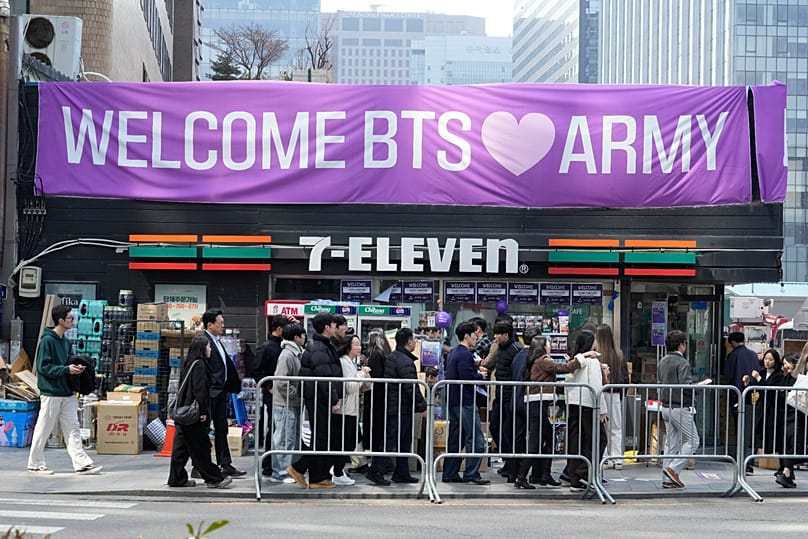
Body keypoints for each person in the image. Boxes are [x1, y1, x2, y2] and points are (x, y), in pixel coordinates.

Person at [27, 305, 102, 476]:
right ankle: (35, 463)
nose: (72, 321)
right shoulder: (47, 341)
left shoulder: (66, 342)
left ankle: (82, 463)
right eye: (70, 318)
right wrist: (67, 370)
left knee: (73, 428)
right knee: (44, 428)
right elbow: (43, 367)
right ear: (60, 320)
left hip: (67, 392)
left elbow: (65, 362)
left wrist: (74, 367)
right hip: (51, 392)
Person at [515, 335, 581, 489]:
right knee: (535, 442)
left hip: (540, 403)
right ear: (543, 346)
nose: (551, 346)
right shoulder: (543, 360)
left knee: (549, 439)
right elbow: (562, 368)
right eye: (549, 343)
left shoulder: (537, 360)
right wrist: (579, 359)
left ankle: (545, 474)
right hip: (537, 404)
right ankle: (521, 477)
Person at [168, 335, 232, 489]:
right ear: (202, 349)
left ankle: (176, 478)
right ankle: (213, 478)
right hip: (193, 414)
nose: (210, 350)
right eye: (209, 347)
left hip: (183, 412)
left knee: (181, 448)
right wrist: (203, 411)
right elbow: (200, 390)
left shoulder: (189, 363)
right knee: (201, 447)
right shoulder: (200, 365)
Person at [287, 313, 343, 489]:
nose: (336, 327)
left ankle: (318, 475)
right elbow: (324, 376)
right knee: (320, 438)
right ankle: (302, 469)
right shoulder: (319, 348)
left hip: (320, 398)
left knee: (323, 438)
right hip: (319, 399)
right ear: (326, 327)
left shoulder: (324, 345)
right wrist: (333, 400)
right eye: (334, 325)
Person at [194, 309, 244, 478]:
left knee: (222, 428)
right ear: (210, 325)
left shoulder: (217, 341)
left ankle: (225, 462)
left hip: (221, 392)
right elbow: (201, 368)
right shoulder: (203, 341)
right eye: (220, 323)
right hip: (210, 392)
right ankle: (199, 466)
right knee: (203, 430)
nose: (222, 326)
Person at [442, 321, 490, 485]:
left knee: (457, 437)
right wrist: (480, 376)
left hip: (455, 400)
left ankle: (450, 472)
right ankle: (471, 473)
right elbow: (466, 377)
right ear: (466, 336)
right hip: (465, 401)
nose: (477, 338)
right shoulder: (464, 354)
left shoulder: (456, 352)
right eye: (474, 335)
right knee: (476, 438)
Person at [378, 328, 427, 484]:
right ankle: (376, 470)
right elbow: (411, 386)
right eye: (414, 340)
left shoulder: (394, 357)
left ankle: (401, 472)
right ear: (409, 342)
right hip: (400, 406)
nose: (415, 343)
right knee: (392, 439)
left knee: (403, 440)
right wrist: (422, 405)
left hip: (398, 405)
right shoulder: (404, 361)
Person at [564, 329, 607, 492]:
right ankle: (583, 471)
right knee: (599, 440)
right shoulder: (592, 361)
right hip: (588, 404)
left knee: (576, 441)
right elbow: (596, 386)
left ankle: (574, 478)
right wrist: (602, 409)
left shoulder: (575, 360)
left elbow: (568, 378)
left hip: (574, 402)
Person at [657, 329, 700, 490]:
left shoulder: (663, 360)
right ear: (681, 345)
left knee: (671, 443)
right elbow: (685, 385)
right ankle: (673, 469)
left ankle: (666, 479)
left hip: (666, 406)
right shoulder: (682, 363)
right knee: (693, 440)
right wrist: (698, 386)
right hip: (680, 406)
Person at [267, 323, 306, 483]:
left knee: (292, 437)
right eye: (302, 335)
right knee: (284, 438)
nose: (305, 338)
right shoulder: (287, 355)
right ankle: (280, 472)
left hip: (292, 402)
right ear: (296, 338)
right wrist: (295, 393)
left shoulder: (295, 353)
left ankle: (290, 470)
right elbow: (281, 381)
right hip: (285, 403)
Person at [255, 314, 291, 476]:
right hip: (273, 393)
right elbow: (255, 370)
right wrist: (268, 385)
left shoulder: (284, 346)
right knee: (275, 427)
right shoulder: (267, 347)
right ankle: (269, 463)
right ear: (278, 329)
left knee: (282, 428)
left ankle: (278, 462)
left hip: (284, 392)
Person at [332, 334, 370, 486]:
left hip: (352, 409)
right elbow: (349, 386)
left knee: (350, 441)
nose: (359, 347)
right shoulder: (344, 362)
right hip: (344, 409)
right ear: (348, 346)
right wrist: (362, 374)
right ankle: (337, 472)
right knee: (345, 442)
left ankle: (338, 471)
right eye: (356, 344)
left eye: (360, 344)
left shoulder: (352, 363)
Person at [488, 321, 523, 482]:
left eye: (497, 334)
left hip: (511, 398)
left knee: (509, 432)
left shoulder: (516, 349)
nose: (495, 337)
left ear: (506, 335)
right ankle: (508, 458)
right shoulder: (499, 348)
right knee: (494, 427)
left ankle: (512, 464)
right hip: (500, 396)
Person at [725, 331, 761, 474]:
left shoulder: (732, 356)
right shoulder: (753, 355)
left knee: (739, 429)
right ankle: (749, 461)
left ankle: (742, 461)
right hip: (753, 396)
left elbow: (729, 376)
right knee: (750, 429)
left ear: (732, 342)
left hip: (738, 397)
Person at [595, 323, 629, 470]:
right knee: (616, 427)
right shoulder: (618, 353)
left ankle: (604, 458)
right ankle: (617, 458)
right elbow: (625, 377)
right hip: (615, 394)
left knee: (601, 428)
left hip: (599, 394)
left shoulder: (595, 353)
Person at [743, 349, 785, 460]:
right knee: (755, 435)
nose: (767, 362)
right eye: (766, 359)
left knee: (773, 436)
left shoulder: (779, 376)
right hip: (760, 408)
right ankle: (749, 462)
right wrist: (747, 383)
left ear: (776, 361)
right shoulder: (761, 372)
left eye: (770, 359)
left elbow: (770, 390)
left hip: (772, 410)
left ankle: (781, 464)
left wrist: (758, 379)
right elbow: (753, 388)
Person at [362, 329, 392, 481]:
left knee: (375, 431)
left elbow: (375, 379)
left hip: (374, 399)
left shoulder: (374, 355)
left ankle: (377, 464)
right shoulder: (386, 354)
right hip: (382, 399)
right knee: (380, 432)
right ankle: (381, 463)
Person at [776, 352, 803, 488]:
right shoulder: (792, 377)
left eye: (786, 362)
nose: (784, 366)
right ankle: (786, 472)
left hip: (795, 413)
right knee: (795, 443)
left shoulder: (794, 377)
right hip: (795, 413)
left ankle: (787, 472)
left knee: (794, 442)